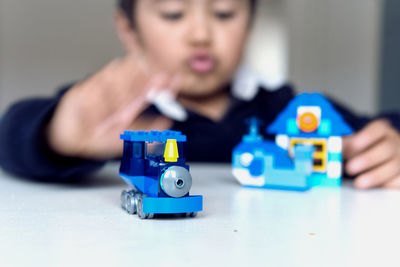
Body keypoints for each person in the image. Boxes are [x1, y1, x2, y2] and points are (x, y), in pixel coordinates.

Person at [1, 0, 400, 190]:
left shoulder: (288, 109)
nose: (201, 35)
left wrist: (390, 147)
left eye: (225, 13)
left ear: (251, 22)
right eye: (173, 14)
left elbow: (377, 131)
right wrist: (53, 135)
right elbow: (14, 136)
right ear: (128, 28)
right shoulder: (107, 114)